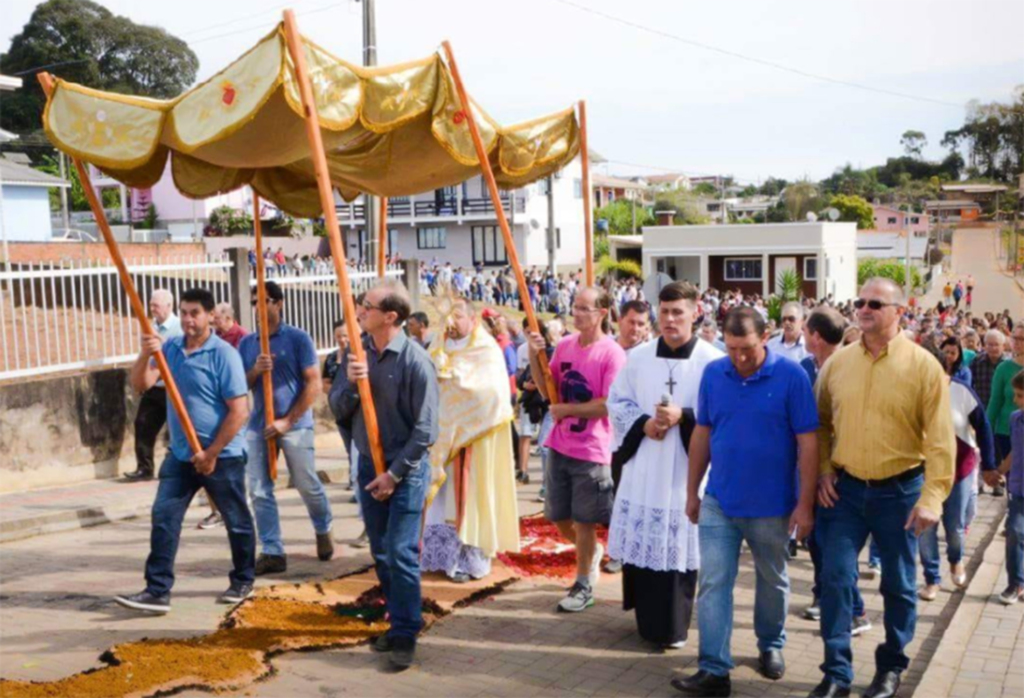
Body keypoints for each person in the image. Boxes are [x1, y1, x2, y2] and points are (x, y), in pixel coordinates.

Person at [812, 277, 955, 698]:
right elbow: (820, 424)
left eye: (876, 302)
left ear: (898, 312)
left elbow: (940, 439)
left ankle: (891, 665)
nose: (865, 308)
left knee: (898, 584)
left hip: (901, 493)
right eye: (861, 301)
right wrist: (823, 470)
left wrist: (933, 497)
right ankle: (837, 673)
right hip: (846, 492)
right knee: (836, 578)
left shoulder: (924, 366)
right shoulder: (838, 364)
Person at [672, 307, 819, 697]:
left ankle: (771, 644)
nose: (738, 357)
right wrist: (692, 492)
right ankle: (714, 669)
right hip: (720, 500)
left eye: (747, 349)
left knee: (772, 580)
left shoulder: (792, 377)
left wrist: (804, 505)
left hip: (773, 506)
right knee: (715, 583)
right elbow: (702, 433)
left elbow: (808, 444)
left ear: (766, 336)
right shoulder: (714, 374)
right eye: (731, 348)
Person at [114, 288, 254, 613]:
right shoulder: (170, 349)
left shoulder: (224, 355)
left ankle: (243, 579)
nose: (189, 320)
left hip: (223, 455)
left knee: (237, 520)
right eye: (185, 312)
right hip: (180, 455)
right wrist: (144, 353)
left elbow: (239, 411)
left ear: (210, 317)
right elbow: (141, 384)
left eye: (195, 313)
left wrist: (212, 452)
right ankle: (157, 590)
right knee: (164, 516)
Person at [607, 282, 723, 649]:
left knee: (679, 549)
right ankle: (646, 622)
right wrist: (643, 424)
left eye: (678, 312)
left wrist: (683, 416)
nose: (670, 319)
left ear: (695, 312)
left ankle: (675, 627)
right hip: (645, 465)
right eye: (665, 311)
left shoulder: (713, 361)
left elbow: (722, 415)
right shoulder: (638, 358)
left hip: (687, 471)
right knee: (645, 546)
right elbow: (617, 403)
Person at [334, 279, 439, 669]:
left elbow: (426, 431)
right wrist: (350, 383)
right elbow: (339, 409)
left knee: (400, 551)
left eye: (367, 305)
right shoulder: (359, 354)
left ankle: (406, 633)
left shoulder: (415, 361)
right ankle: (398, 622)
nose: (359, 310)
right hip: (367, 465)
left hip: (405, 471)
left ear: (390, 316)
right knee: (380, 552)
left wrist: (393, 475)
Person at [528, 286, 626, 613]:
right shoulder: (567, 346)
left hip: (593, 449)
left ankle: (583, 583)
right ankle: (592, 553)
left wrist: (569, 410)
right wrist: (533, 354)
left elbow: (609, 404)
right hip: (560, 444)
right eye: (575, 306)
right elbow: (548, 390)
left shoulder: (612, 353)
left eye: (584, 308)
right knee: (557, 516)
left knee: (585, 520)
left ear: (601, 313)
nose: (577, 312)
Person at [422, 298, 520, 582]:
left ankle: (468, 559)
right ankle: (438, 555)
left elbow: (493, 393)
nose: (451, 324)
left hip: (473, 438)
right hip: (440, 440)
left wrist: (455, 380)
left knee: (469, 496)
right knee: (439, 499)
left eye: (457, 317)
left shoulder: (485, 349)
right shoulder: (436, 346)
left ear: (472, 319)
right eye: (447, 318)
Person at [239, 281, 334, 574]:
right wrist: (256, 370)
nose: (258, 307)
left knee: (306, 483)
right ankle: (272, 550)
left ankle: (323, 527)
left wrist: (287, 421)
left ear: (278, 303)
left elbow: (314, 383)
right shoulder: (247, 343)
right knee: (258, 489)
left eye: (264, 301)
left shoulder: (298, 338)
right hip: (259, 426)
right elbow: (240, 385)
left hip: (294, 425)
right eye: (254, 301)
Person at [799, 308, 872, 636]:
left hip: (839, 474)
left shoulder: (849, 368)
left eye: (805, 331)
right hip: (809, 469)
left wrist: (829, 471)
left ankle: (855, 610)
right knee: (816, 541)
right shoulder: (805, 367)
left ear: (815, 336)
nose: (802, 336)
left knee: (833, 546)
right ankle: (826, 597)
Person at [918, 346, 996, 601]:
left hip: (959, 469)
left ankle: (956, 560)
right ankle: (932, 578)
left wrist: (990, 466)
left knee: (954, 526)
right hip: (924, 471)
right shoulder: (913, 393)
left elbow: (982, 427)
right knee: (926, 527)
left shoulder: (960, 391)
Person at [125, 289, 183, 481]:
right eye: (151, 305)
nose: (152, 309)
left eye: (156, 305)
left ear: (169, 306)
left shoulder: (179, 327)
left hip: (174, 387)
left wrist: (161, 342)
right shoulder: (150, 326)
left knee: (175, 430)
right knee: (142, 423)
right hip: (155, 385)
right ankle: (144, 468)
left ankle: (177, 467)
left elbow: (181, 352)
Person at [986, 370, 1023, 604]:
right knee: (1014, 531)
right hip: (1018, 488)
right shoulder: (1015, 419)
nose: (1015, 400)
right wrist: (999, 470)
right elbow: (1014, 451)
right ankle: (1015, 583)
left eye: (1020, 395)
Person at [988, 326, 1024, 480]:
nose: (1016, 342)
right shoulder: (1004, 368)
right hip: (1006, 430)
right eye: (1014, 337)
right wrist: (984, 431)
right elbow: (994, 402)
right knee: (1013, 476)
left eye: (1021, 339)